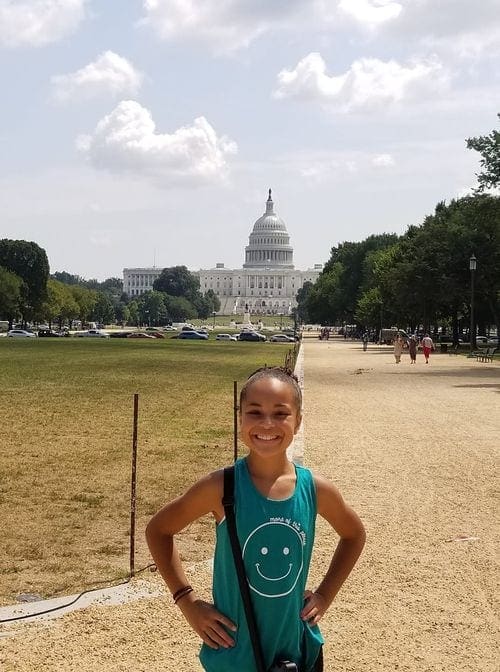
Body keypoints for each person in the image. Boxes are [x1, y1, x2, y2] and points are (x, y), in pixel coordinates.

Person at [146, 367, 366, 672]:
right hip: (235, 654)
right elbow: (158, 530)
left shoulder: (315, 489)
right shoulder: (220, 488)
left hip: (298, 650)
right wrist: (188, 601)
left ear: (298, 421)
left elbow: (354, 534)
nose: (267, 423)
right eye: (254, 412)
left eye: (280, 413)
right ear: (240, 420)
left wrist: (325, 594)